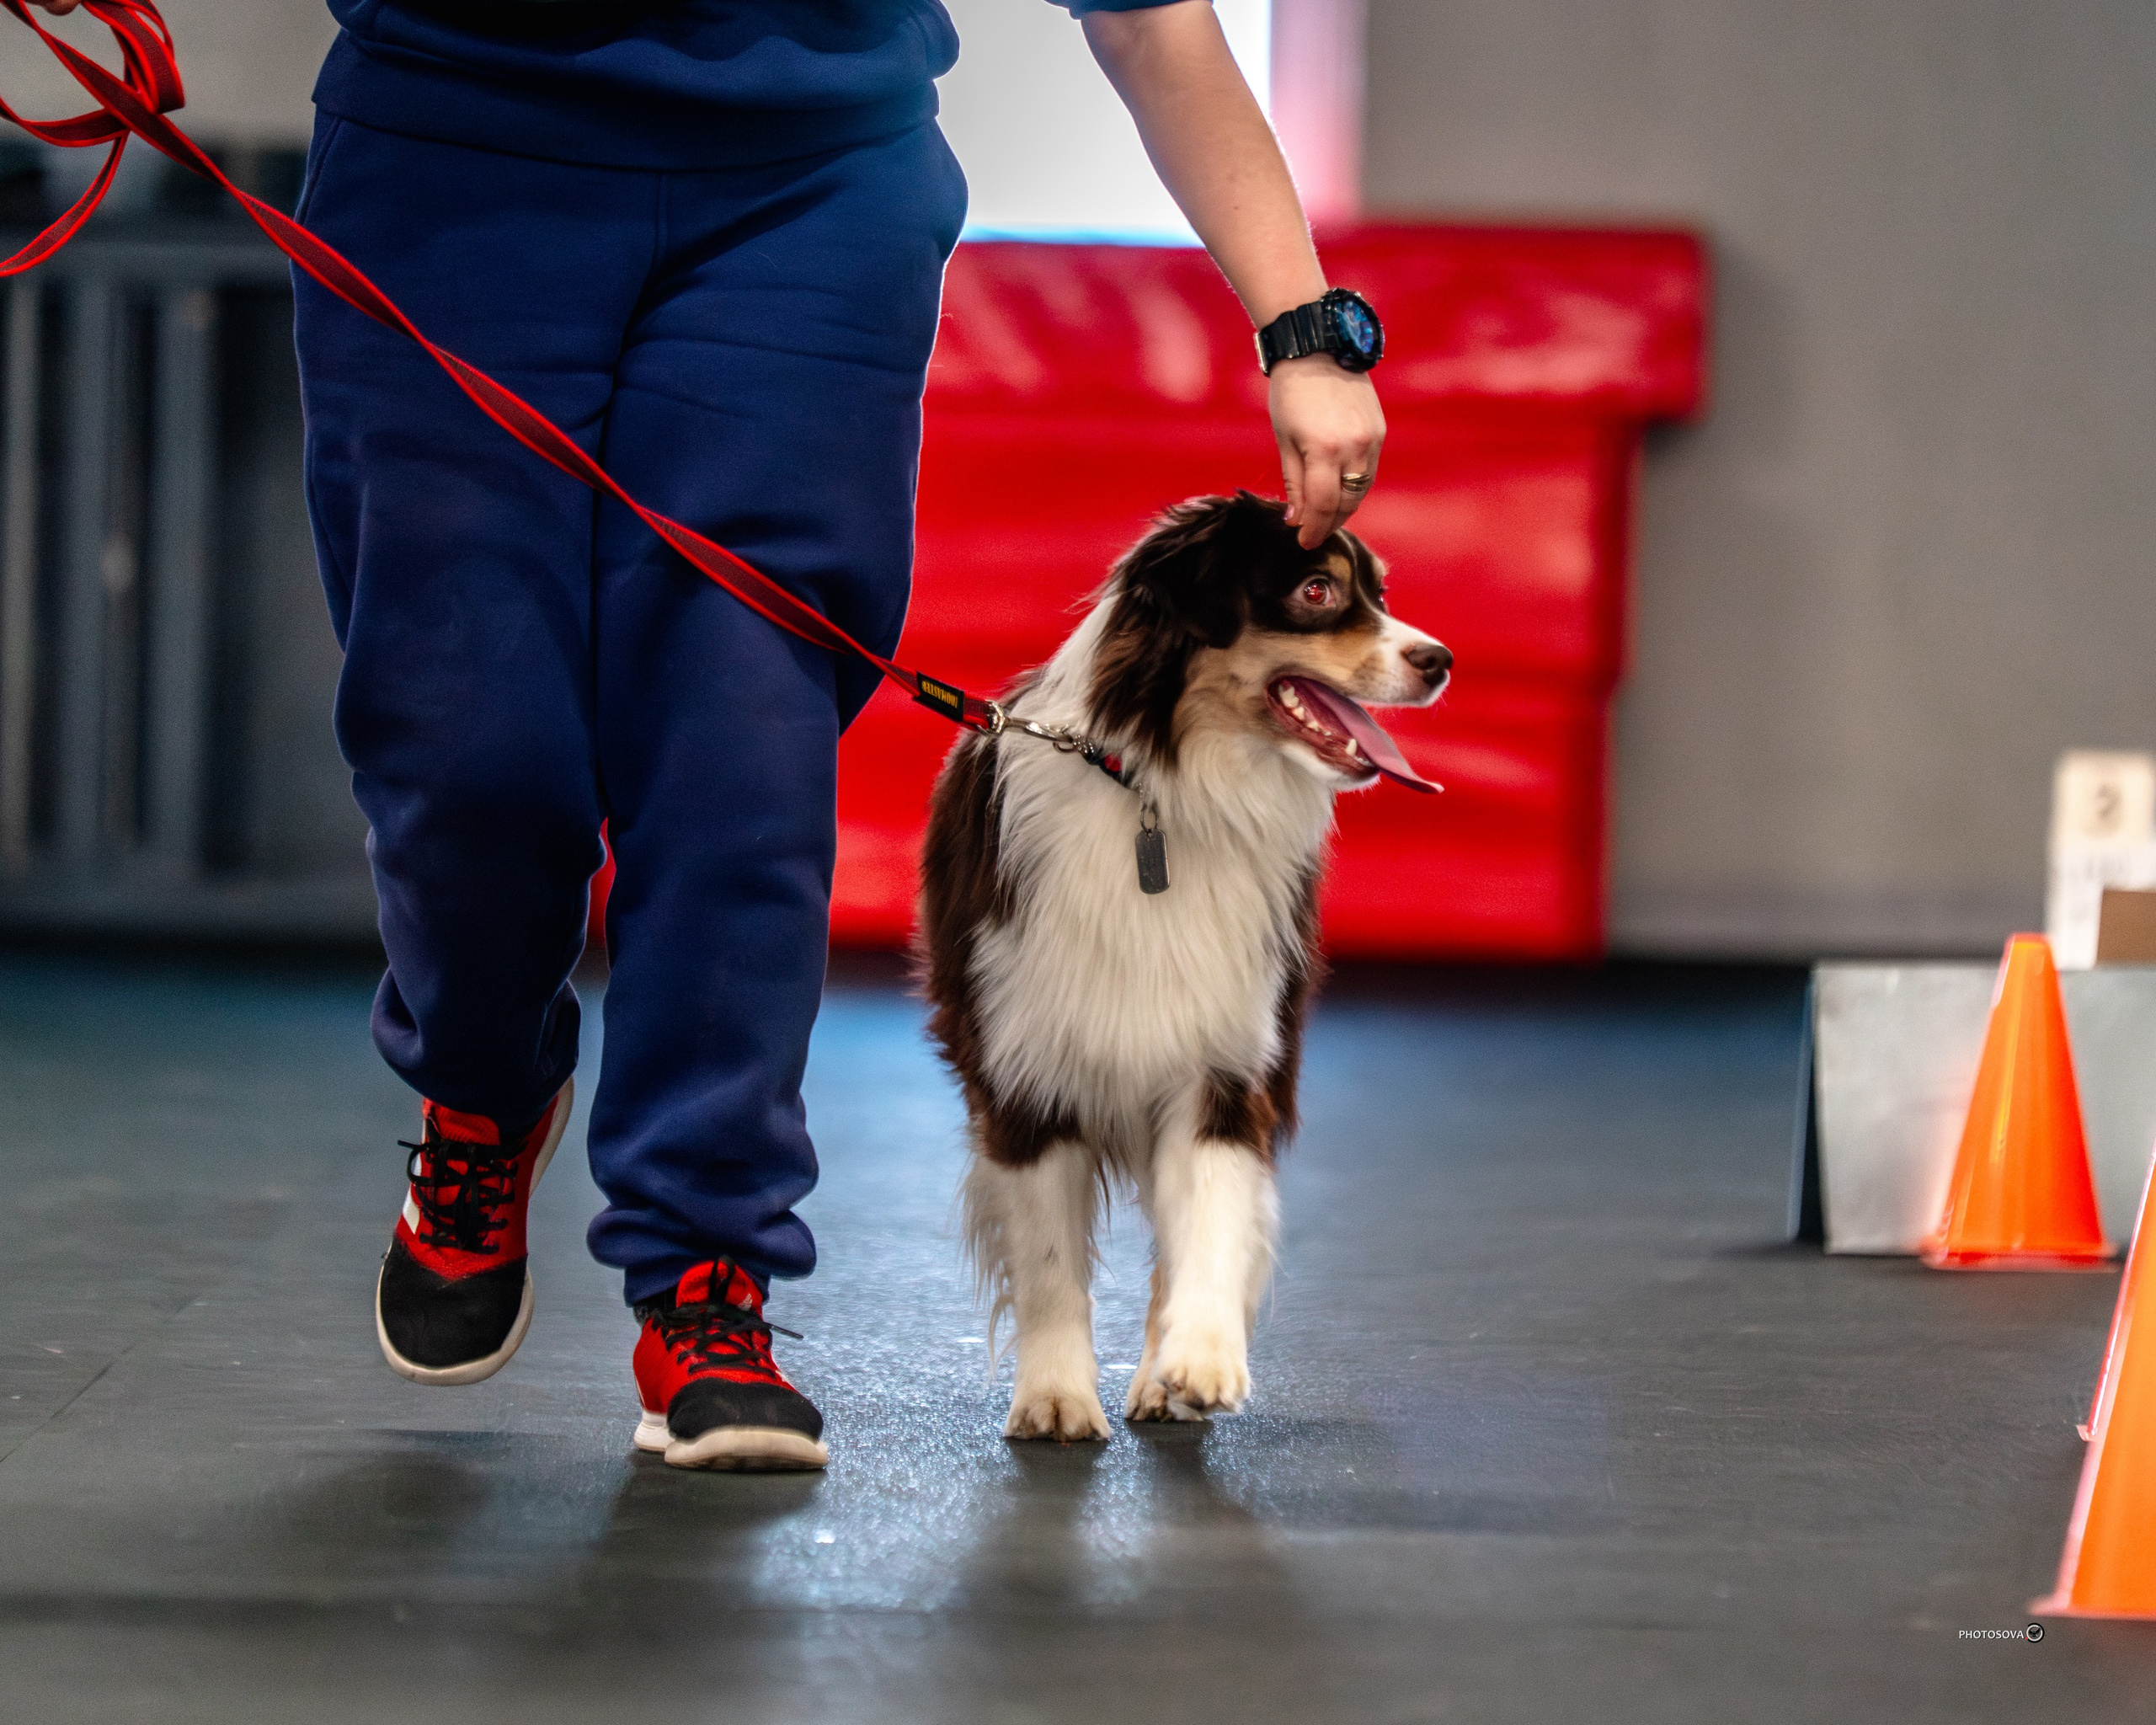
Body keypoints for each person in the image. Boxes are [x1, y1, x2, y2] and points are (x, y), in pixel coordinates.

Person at [33, 0, 1385, 1469]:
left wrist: (1303, 322)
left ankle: (706, 1276)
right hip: (452, 161)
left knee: (738, 760)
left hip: (805, 197)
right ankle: (482, 1087)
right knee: (467, 745)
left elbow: (1149, 18)